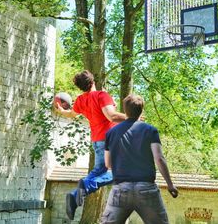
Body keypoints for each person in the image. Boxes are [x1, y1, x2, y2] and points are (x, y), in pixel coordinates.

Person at [54, 70, 126, 220]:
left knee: (99, 171)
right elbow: (111, 115)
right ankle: (84, 187)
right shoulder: (101, 95)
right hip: (110, 139)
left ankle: (74, 196)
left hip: (97, 141)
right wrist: (132, 118)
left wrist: (61, 111)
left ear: (81, 87)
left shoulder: (81, 100)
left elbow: (71, 114)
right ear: (92, 82)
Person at [102, 94, 178, 224]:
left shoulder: (111, 133)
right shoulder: (150, 130)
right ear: (141, 110)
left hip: (120, 190)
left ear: (124, 110)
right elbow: (159, 159)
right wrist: (170, 185)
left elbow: (108, 164)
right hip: (146, 189)